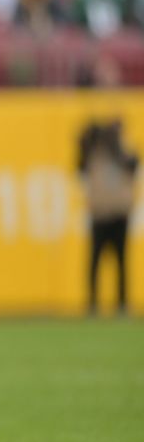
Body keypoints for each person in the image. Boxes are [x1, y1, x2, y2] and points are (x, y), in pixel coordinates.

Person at [78, 119, 138, 315]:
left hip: (119, 214)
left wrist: (117, 144)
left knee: (121, 262)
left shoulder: (123, 154)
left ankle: (121, 303)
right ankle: (93, 303)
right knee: (95, 261)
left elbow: (134, 164)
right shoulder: (94, 154)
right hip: (100, 215)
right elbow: (80, 159)